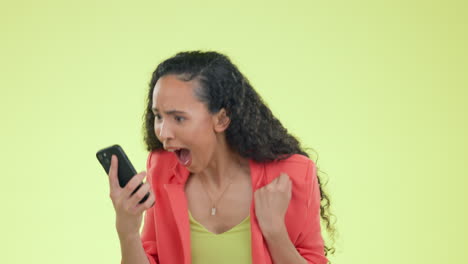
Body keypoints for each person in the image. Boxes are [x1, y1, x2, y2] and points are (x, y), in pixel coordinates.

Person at [107, 51, 335, 264]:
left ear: (222, 119)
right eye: (158, 116)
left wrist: (275, 231)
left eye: (178, 118)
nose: (164, 134)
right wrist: (127, 232)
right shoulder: (161, 168)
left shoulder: (292, 175)